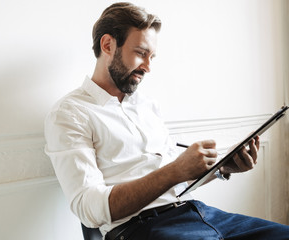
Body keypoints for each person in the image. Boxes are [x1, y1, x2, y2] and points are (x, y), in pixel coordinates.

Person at [44, 2, 289, 239]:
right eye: (141, 54)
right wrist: (175, 171)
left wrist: (222, 168)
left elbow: (175, 180)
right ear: (108, 45)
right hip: (141, 229)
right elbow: (89, 210)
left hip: (198, 213)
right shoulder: (70, 113)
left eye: (152, 56)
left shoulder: (147, 105)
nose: (148, 67)